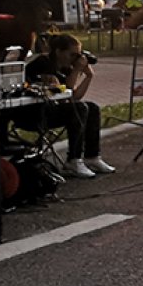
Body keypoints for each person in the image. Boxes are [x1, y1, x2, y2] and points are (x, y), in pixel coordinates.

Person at [24, 35, 116, 179]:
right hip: (35, 113)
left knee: (92, 108)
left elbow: (74, 96)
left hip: (51, 109)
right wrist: (76, 70)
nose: (74, 59)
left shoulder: (65, 68)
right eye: (72, 54)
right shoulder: (43, 63)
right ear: (58, 52)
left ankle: (92, 156)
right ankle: (73, 159)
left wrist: (89, 76)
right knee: (79, 109)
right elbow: (67, 89)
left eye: (77, 55)